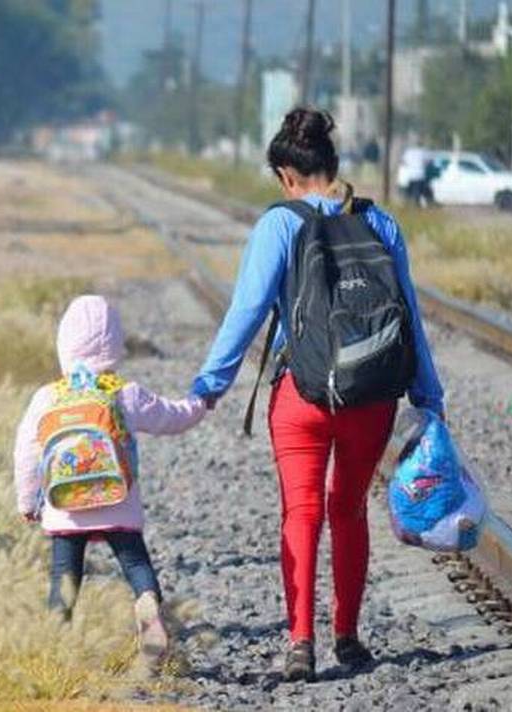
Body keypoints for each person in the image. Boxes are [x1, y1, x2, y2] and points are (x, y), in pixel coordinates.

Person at [190, 108, 445, 682]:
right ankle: (348, 635)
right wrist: (428, 393)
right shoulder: (382, 224)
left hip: (301, 396)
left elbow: (247, 312)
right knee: (349, 510)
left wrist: (208, 386)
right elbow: (410, 317)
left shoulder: (278, 224)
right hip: (372, 396)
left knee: (301, 513)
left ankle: (300, 641)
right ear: (333, 166)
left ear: (285, 174)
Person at [13, 295, 207, 662]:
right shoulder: (123, 393)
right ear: (116, 345)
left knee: (64, 574)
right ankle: (147, 603)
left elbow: (26, 453)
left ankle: (57, 642)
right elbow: (173, 417)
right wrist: (201, 402)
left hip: (65, 507)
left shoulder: (47, 397)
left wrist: (27, 501)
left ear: (63, 344)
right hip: (118, 502)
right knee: (135, 563)